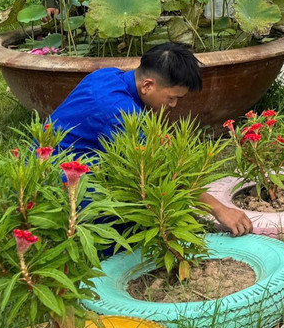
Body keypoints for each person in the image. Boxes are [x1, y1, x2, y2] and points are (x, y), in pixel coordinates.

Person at [49, 42, 252, 235]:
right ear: (147, 85)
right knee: (135, 211)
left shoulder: (107, 75)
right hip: (59, 177)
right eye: (172, 97)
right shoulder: (121, 113)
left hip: (58, 155)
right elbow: (160, 169)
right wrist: (219, 209)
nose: (173, 105)